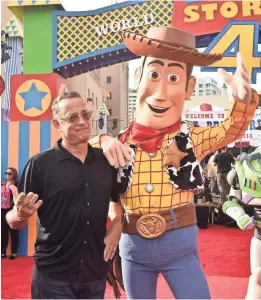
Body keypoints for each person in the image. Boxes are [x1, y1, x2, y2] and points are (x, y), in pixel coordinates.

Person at [95, 25, 259, 299]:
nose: (160, 93)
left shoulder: (191, 137)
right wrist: (103, 138)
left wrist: (242, 101)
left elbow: (230, 129)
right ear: (138, 76)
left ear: (189, 88)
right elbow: (81, 147)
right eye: (154, 74)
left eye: (173, 78)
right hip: (133, 246)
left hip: (179, 242)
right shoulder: (119, 142)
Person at [6, 91, 123, 299]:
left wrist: (116, 225)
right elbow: (15, 221)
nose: (82, 122)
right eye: (72, 117)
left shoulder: (106, 162)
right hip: (53, 278)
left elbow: (116, 204)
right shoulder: (40, 165)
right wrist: (20, 215)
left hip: (95, 275)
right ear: (56, 124)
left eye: (85, 115)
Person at [222, 146, 261, 300]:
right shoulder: (246, 168)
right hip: (259, 238)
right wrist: (239, 216)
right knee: (257, 281)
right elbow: (229, 202)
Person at [1, 167, 19, 259]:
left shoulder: (16, 184)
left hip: (12, 210)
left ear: (14, 175)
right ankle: (3, 252)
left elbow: (18, 197)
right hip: (2, 210)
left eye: (9, 173)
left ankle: (14, 252)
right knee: (3, 231)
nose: (7, 175)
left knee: (13, 231)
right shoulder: (2, 184)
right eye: (6, 173)